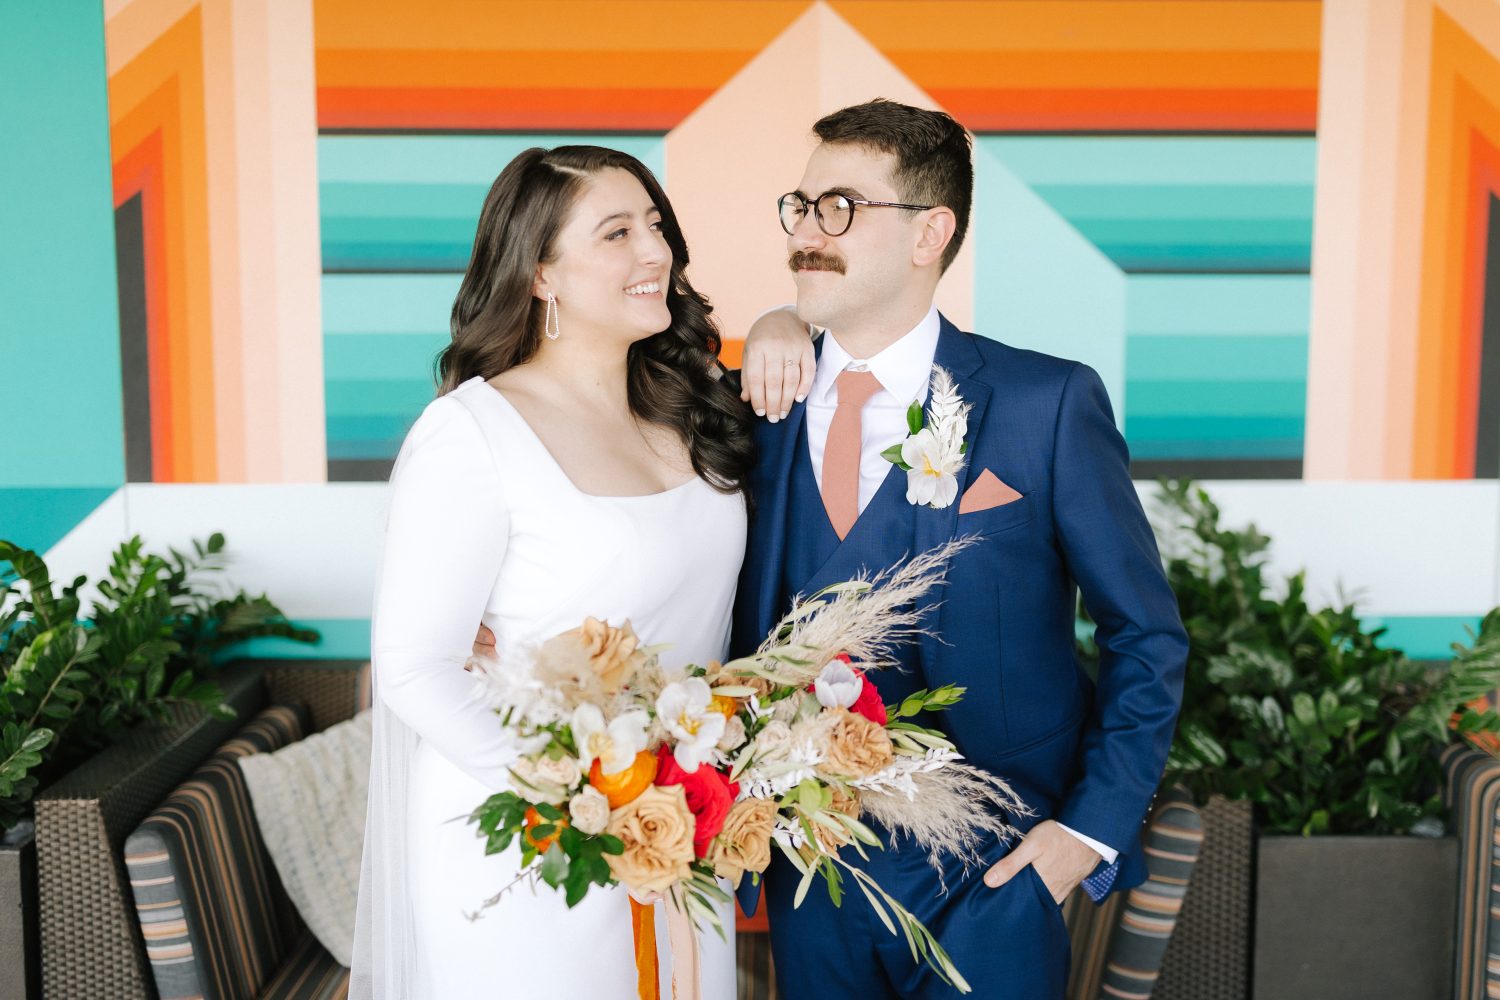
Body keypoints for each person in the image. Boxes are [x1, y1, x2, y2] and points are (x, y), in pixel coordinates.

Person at [729, 99, 1189, 999]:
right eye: (802, 205)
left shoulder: (1044, 404)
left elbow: (1146, 634)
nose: (806, 233)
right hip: (804, 863)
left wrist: (1084, 837)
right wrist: (776, 321)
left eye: (841, 208)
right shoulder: (745, 406)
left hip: (994, 870)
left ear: (929, 233)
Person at [351, 145, 751, 999]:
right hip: (536, 848)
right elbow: (415, 669)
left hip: (681, 828)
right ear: (541, 275)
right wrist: (591, 805)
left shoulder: (689, 403)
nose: (656, 251)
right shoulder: (473, 433)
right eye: (617, 232)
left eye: (656, 225)